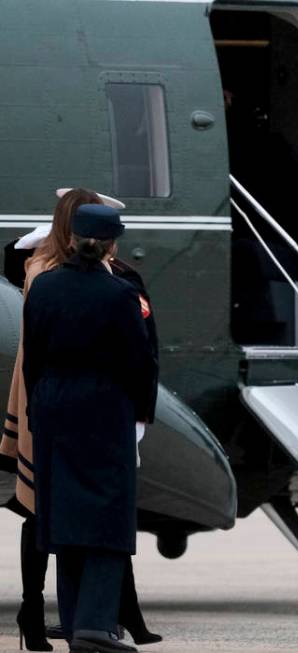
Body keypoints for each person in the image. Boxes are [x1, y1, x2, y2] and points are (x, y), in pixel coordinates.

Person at [0, 189, 162, 649]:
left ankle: (74, 622)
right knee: (108, 521)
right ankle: (94, 624)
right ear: (111, 245)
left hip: (50, 409)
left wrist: (38, 408)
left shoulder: (43, 285)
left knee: (64, 519)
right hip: (104, 409)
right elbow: (140, 360)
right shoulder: (121, 293)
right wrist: (141, 413)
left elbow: (33, 354)